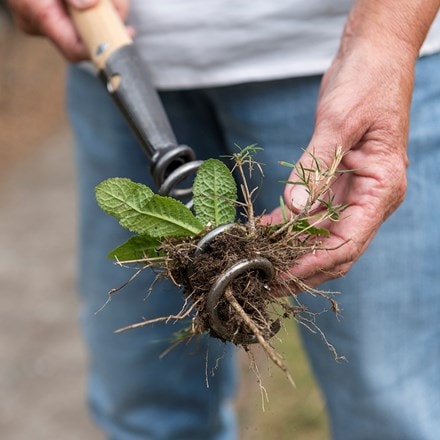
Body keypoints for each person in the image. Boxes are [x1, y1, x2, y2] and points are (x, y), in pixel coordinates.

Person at [7, 0, 440, 438]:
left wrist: (387, 37)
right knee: (146, 413)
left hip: (337, 61)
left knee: (390, 406)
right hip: (107, 46)